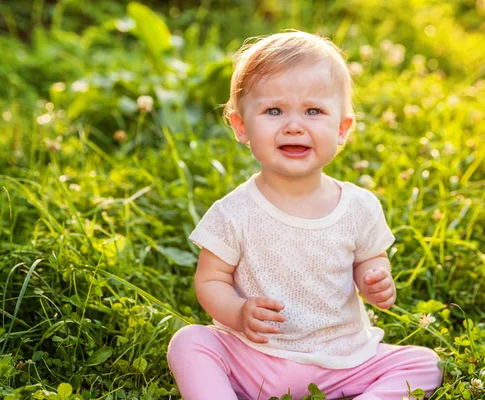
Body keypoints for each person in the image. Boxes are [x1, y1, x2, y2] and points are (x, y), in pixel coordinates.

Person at [167, 30, 443, 400]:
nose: (294, 125)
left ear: (342, 128)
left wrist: (376, 280)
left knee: (425, 364)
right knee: (189, 342)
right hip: (254, 357)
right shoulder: (233, 212)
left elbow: (369, 262)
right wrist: (238, 312)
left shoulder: (358, 207)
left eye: (314, 111)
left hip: (343, 362)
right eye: (274, 111)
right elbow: (210, 281)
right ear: (241, 126)